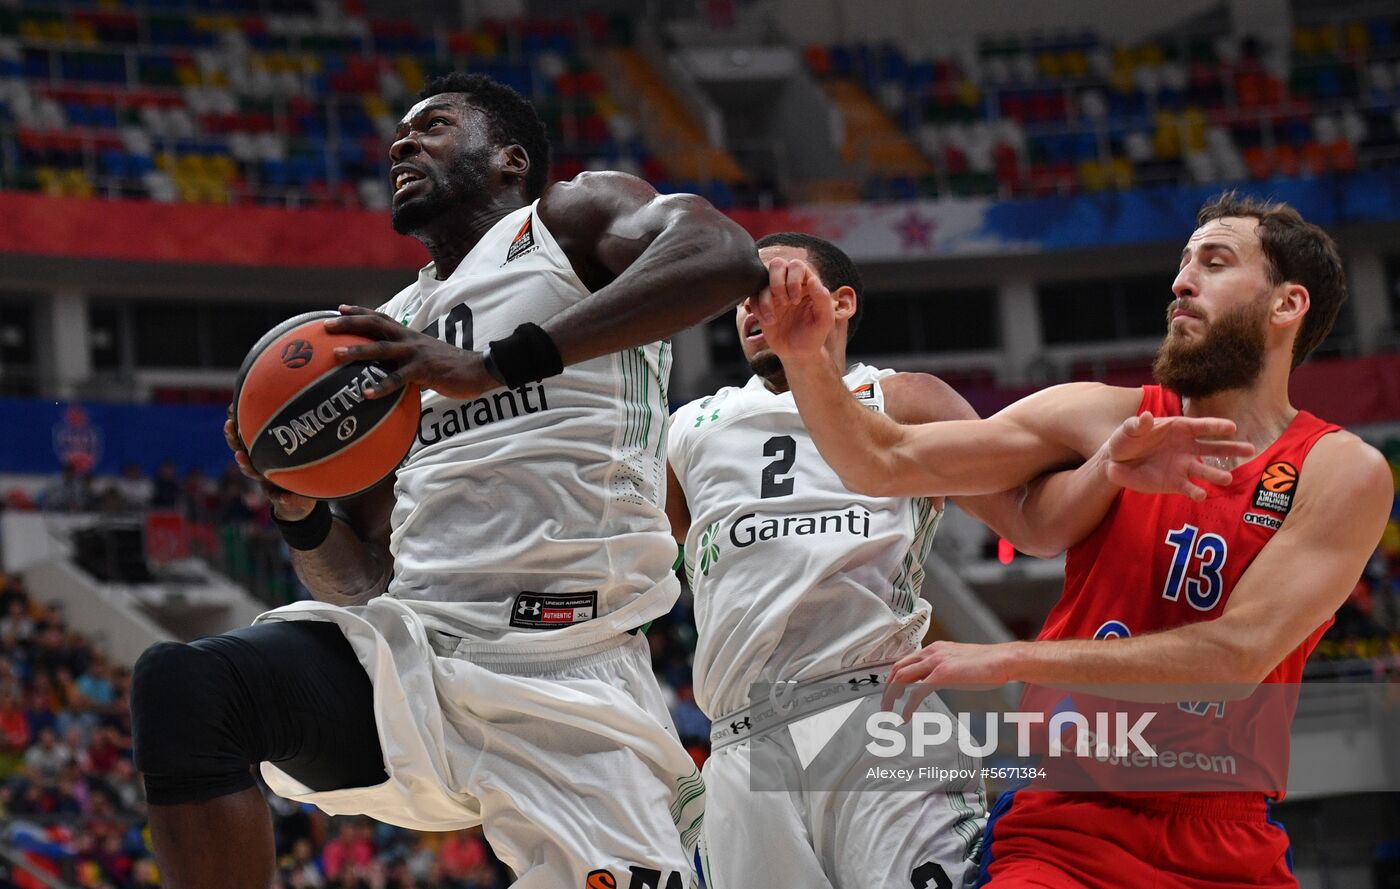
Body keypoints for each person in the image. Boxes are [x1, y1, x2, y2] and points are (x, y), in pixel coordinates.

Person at [129, 72, 766, 889]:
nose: (401, 142)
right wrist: (300, 515)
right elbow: (360, 578)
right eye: (398, 132)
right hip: (418, 659)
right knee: (190, 687)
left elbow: (726, 255)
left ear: (508, 160)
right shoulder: (387, 332)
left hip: (569, 675)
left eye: (432, 126)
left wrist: (496, 364)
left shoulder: (567, 222)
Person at [752, 193, 1390, 888]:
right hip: (1064, 824)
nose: (1181, 281)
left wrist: (1011, 658)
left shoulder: (1338, 468)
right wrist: (807, 355)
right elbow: (881, 459)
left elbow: (1234, 657)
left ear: (1286, 304)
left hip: (1224, 830)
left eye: (1214, 262)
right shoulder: (1099, 415)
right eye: (1182, 263)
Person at [666, 232, 1243, 889]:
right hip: (742, 735)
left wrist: (1107, 471)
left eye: (778, 284)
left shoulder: (905, 397)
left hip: (872, 711)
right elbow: (657, 574)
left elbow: (1031, 524)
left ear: (842, 302)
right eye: (746, 295)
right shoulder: (689, 426)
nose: (755, 306)